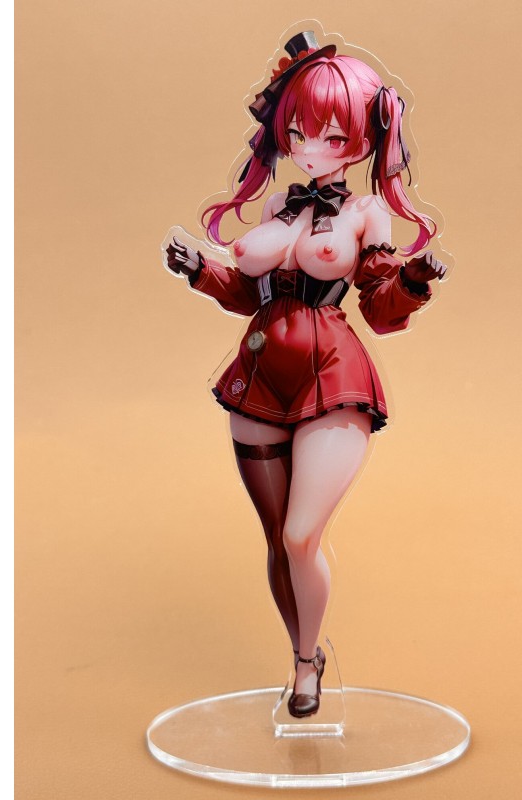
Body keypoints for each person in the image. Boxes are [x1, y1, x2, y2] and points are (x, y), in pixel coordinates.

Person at [164, 31, 447, 718]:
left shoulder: (366, 213)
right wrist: (200, 270)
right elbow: (247, 294)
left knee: (300, 536)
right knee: (276, 541)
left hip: (331, 378)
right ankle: (303, 654)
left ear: (362, 139)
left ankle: (304, 663)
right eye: (296, 129)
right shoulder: (276, 206)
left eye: (329, 132)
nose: (308, 144)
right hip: (259, 373)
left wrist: (411, 280)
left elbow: (378, 307)